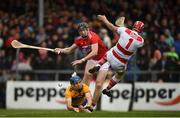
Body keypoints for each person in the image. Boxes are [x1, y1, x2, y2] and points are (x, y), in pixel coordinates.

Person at [54, 22, 110, 109]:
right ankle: (81, 101)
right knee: (85, 80)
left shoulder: (93, 36)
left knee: (98, 84)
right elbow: (69, 50)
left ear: (88, 29)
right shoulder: (78, 40)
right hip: (92, 60)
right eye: (81, 31)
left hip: (103, 59)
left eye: (85, 30)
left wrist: (82, 60)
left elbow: (94, 52)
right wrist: (60, 50)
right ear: (79, 32)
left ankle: (92, 106)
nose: (83, 32)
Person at [89, 15, 145, 97]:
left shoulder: (124, 30)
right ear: (141, 30)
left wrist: (105, 19)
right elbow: (133, 40)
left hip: (111, 55)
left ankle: (98, 65)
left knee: (109, 52)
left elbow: (112, 27)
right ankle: (107, 89)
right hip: (121, 63)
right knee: (120, 74)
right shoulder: (141, 41)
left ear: (133, 26)